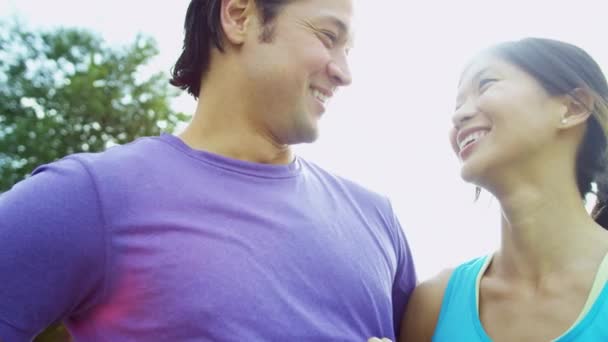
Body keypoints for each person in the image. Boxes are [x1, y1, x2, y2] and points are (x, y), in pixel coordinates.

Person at [0, 0, 417, 341]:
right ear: (239, 15)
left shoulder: (378, 219)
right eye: (329, 37)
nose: (345, 72)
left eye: (349, 50)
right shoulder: (87, 196)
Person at [401, 37, 608, 341]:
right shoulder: (433, 303)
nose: (458, 116)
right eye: (457, 104)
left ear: (572, 107)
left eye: (485, 84)